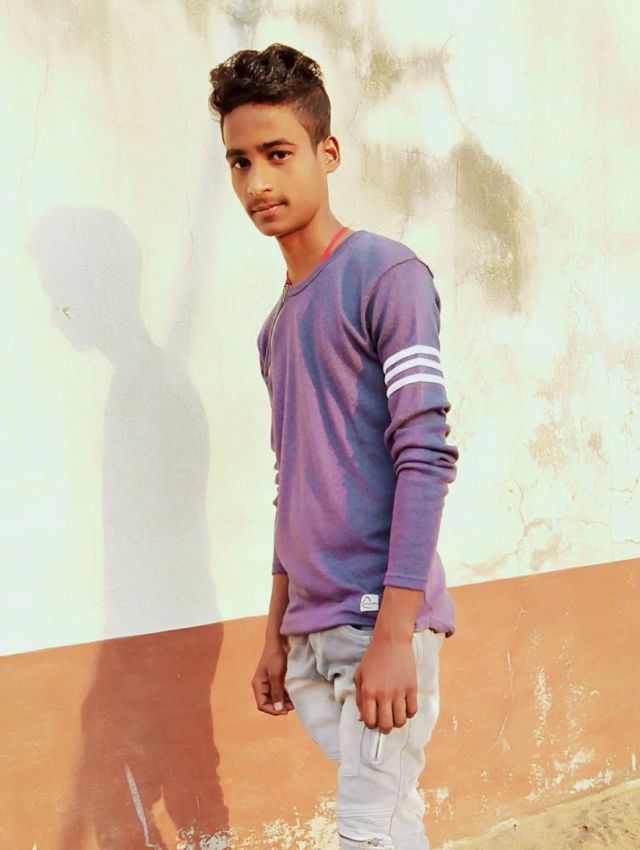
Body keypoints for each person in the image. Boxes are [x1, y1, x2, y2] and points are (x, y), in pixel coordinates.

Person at [208, 42, 459, 850]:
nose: (258, 181)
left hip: (377, 621)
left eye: (278, 154)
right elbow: (294, 481)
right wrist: (274, 632)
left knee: (365, 834)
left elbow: (426, 451)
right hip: (312, 637)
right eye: (240, 162)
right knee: (393, 827)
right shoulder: (276, 327)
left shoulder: (387, 276)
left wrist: (395, 633)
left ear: (328, 152)